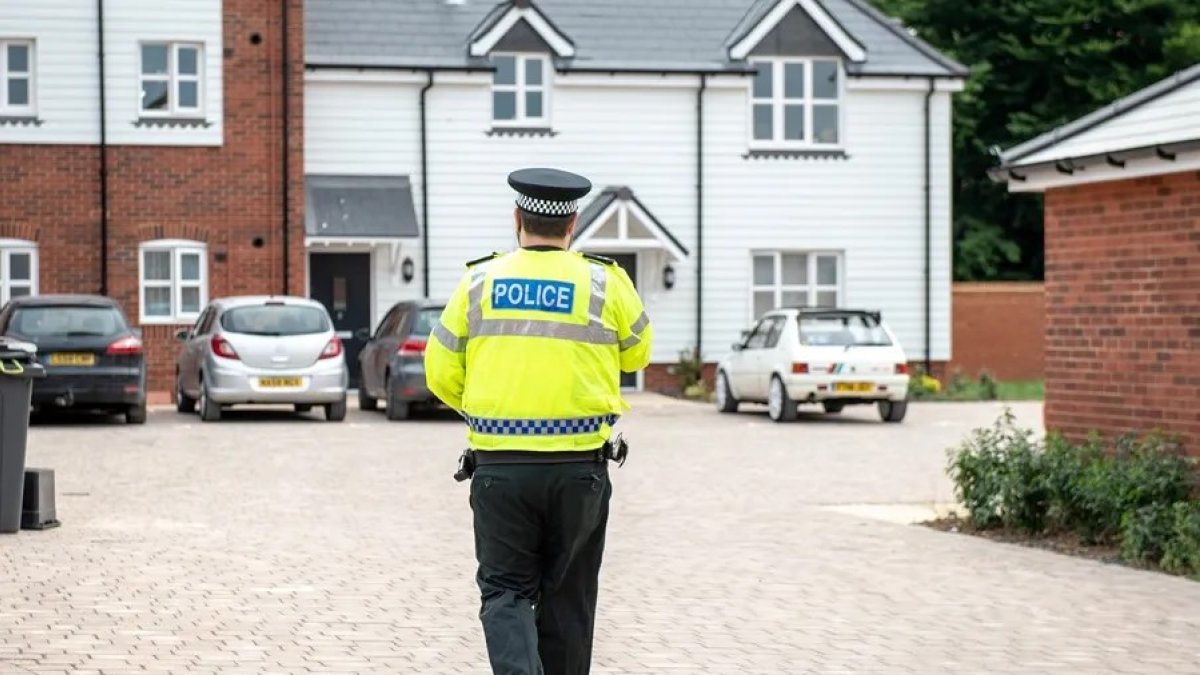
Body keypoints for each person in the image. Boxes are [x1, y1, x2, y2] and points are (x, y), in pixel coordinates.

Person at [424, 167, 653, 675]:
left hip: (500, 471)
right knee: (569, 598)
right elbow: (638, 355)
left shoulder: (478, 281)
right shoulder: (606, 281)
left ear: (517, 219)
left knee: (506, 592)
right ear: (573, 224)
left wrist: (490, 409)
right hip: (580, 472)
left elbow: (439, 373)